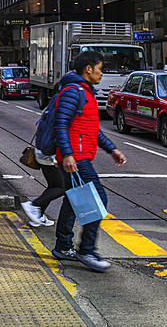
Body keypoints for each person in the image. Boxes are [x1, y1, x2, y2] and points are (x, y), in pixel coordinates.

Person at [50, 50, 128, 272]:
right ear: (88, 69)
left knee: (73, 201)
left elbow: (91, 130)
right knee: (98, 200)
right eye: (100, 68)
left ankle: (63, 247)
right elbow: (61, 124)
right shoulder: (74, 91)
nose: (102, 73)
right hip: (76, 159)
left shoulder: (84, 91)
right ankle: (86, 250)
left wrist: (111, 149)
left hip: (76, 156)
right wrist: (67, 154)